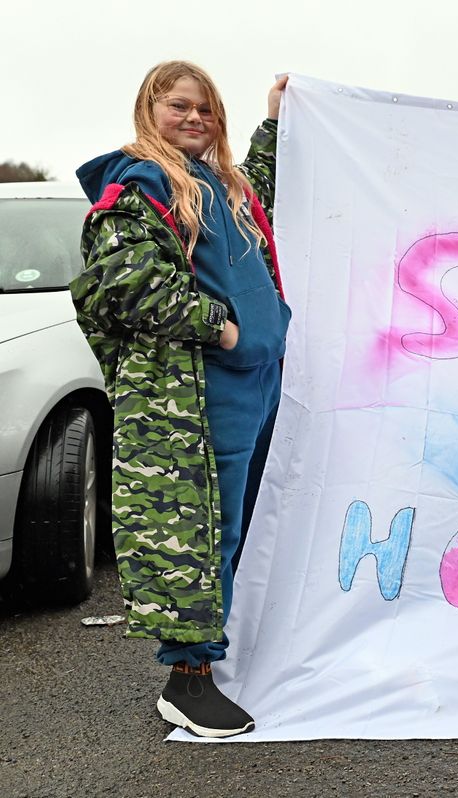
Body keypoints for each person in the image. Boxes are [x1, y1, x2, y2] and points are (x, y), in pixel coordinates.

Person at [71, 61, 290, 737]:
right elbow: (123, 284)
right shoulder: (138, 189)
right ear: (149, 110)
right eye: (180, 107)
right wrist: (220, 328)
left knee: (245, 527)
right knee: (200, 536)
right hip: (197, 394)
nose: (195, 119)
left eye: (206, 110)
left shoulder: (219, 184)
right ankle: (186, 680)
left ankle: (221, 660)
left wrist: (275, 120)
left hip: (256, 384)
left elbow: (264, 189)